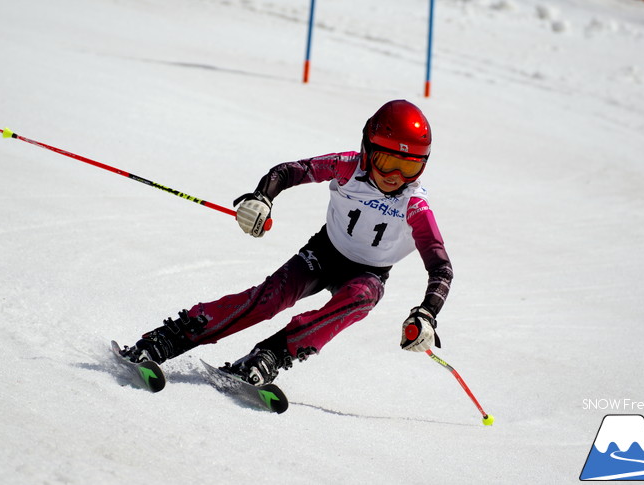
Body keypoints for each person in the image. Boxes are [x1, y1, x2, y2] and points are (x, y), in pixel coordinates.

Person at [120, 99, 453, 386]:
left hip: (368, 274)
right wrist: (262, 198)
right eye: (387, 162)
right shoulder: (348, 167)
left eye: (409, 167)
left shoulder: (415, 205)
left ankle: (272, 356)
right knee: (268, 299)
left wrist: (426, 313)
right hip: (325, 252)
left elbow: (441, 268)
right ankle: (170, 337)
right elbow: (291, 170)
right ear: (368, 150)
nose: (395, 176)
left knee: (360, 300)